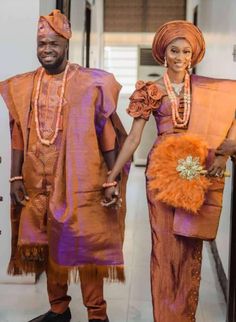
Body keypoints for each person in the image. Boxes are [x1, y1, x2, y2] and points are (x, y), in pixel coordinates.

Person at [102, 20, 236, 322]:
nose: (180, 57)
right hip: (160, 177)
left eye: (186, 51)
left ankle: (184, 316)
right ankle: (165, 316)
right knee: (164, 248)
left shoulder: (208, 90)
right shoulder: (151, 91)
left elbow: (231, 115)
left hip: (195, 172)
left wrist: (224, 155)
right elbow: (134, 138)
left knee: (190, 247)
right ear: (164, 53)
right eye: (174, 50)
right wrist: (112, 175)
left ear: (193, 56)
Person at [0, 9, 129, 322]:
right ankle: (59, 310)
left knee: (87, 246)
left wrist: (112, 179)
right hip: (37, 179)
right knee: (47, 244)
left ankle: (97, 314)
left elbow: (108, 133)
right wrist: (15, 175)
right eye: (42, 42)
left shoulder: (90, 83)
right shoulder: (24, 85)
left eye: (53, 43)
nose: (47, 48)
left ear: (66, 45)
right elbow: (18, 131)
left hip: (82, 181)